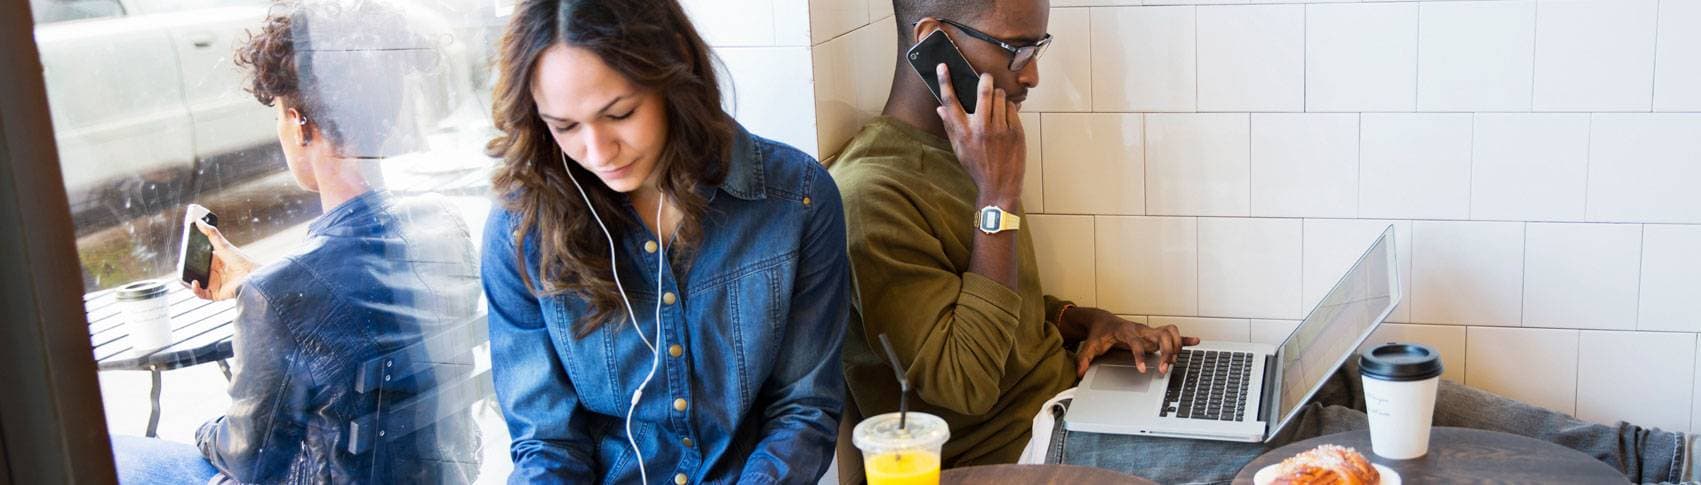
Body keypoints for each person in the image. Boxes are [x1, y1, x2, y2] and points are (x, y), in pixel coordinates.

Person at [830, 0, 1698, 483]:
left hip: (1083, 393)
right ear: (929, 42)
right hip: (1030, 441)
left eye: (1037, 45)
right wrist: (998, 198)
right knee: (1321, 435)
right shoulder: (873, 194)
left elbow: (988, 301)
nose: (1032, 73)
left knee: (1351, 374)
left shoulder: (963, 153)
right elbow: (962, 386)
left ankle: (1657, 458)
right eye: (1016, 48)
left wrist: (1077, 316)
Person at [110, 0, 485, 483]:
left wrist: (204, 431)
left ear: (300, 123)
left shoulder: (283, 292)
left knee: (119, 455)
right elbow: (363, 314)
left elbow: (250, 457)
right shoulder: (443, 226)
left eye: (279, 117)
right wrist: (258, 284)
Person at [479, 0, 850, 483]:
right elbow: (547, 443)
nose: (597, 151)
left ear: (673, 67)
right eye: (564, 126)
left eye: (620, 113)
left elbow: (803, 409)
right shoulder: (521, 230)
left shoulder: (796, 201)